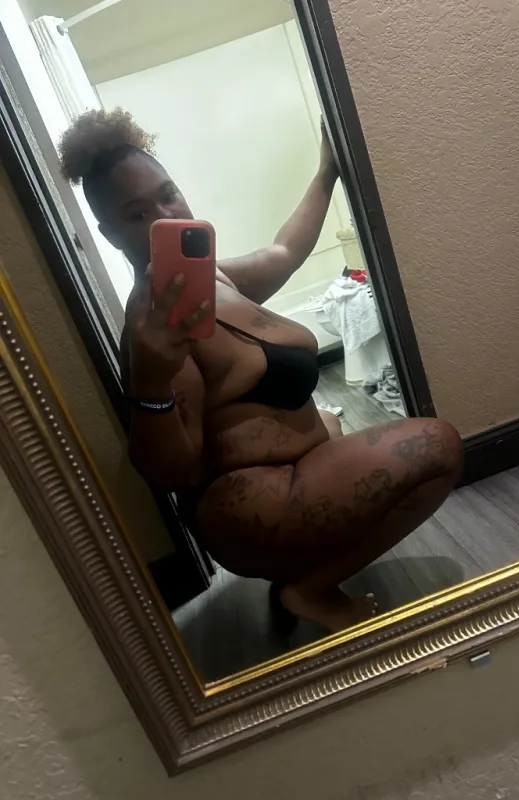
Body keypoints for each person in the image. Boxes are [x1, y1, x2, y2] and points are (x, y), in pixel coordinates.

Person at [59, 108, 463, 633]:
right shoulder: (156, 322)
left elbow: (285, 250)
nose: (165, 215)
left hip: (278, 488)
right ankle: (309, 587)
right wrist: (152, 381)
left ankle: (301, 567)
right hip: (249, 510)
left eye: (168, 193)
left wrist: (327, 172)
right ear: (110, 233)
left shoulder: (212, 279)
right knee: (439, 445)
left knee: (330, 421)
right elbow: (170, 474)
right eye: (138, 214)